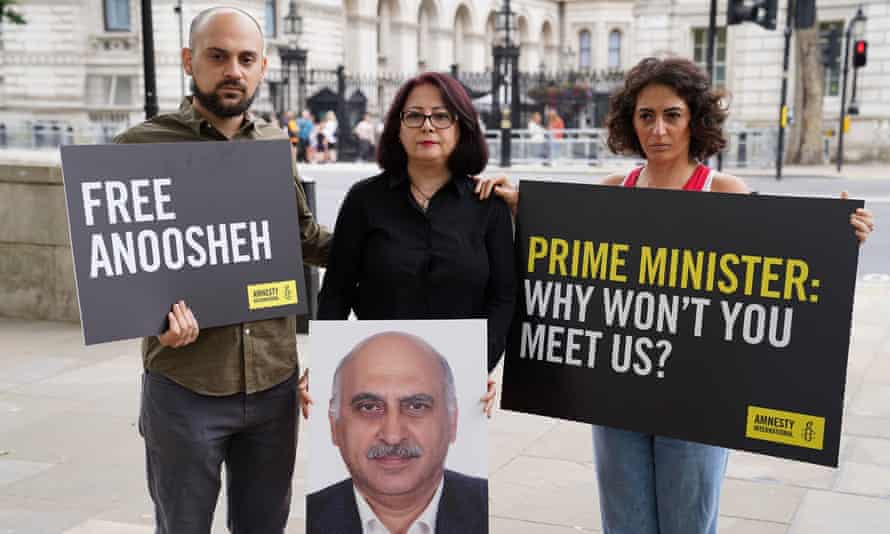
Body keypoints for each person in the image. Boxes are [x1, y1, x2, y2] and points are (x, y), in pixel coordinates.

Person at [476, 56, 874, 534]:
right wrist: (513, 200)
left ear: (694, 120)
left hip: (699, 403)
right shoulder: (612, 191)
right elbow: (560, 238)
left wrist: (837, 233)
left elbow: (780, 262)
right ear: (631, 122)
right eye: (646, 116)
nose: (658, 130)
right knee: (625, 525)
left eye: (672, 115)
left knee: (688, 525)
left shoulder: (724, 191)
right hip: (618, 395)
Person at [113, 7, 331, 533]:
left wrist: (395, 234)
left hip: (273, 385)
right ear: (190, 61)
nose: (233, 70)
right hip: (185, 387)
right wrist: (153, 317)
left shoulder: (275, 144)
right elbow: (115, 272)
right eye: (218, 56)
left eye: (245, 59)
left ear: (261, 67)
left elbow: (301, 238)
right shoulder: (137, 149)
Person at [313, 72, 515, 419]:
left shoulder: (489, 205)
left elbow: (503, 296)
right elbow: (336, 292)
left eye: (441, 116)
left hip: (459, 383)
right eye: (415, 115)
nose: (427, 126)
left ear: (461, 127)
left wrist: (480, 365)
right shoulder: (364, 200)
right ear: (398, 127)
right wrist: (322, 369)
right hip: (375, 379)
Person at [307, 331, 488, 534]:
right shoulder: (310, 516)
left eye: (416, 406)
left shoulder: (487, 508)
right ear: (334, 424)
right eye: (368, 407)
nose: (393, 436)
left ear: (452, 420)